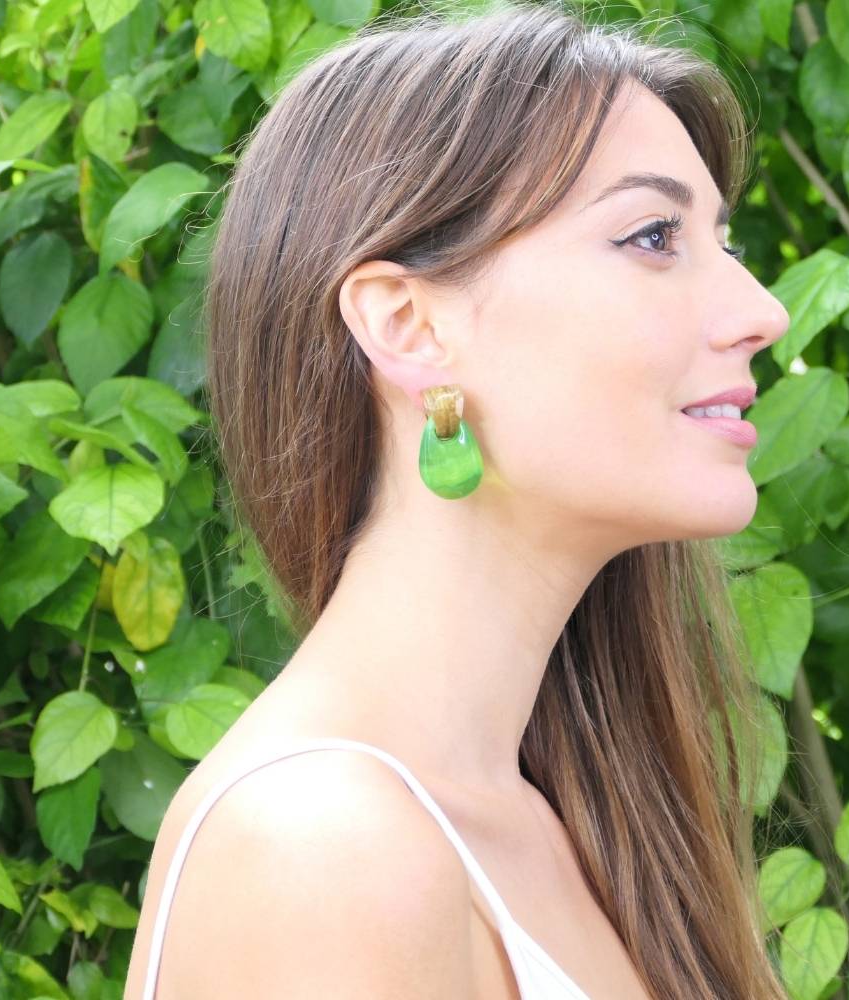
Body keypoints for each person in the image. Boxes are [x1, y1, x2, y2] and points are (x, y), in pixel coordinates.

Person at [123, 2, 791, 997]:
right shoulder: (324, 844)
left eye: (720, 244)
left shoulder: (573, 821)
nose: (762, 312)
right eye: (653, 235)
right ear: (407, 325)